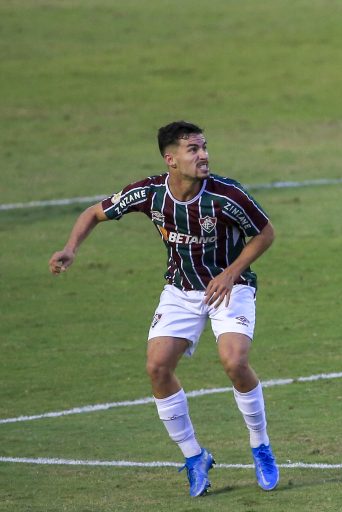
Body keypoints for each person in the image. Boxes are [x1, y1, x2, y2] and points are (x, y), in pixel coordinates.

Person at [48, 121, 280, 496]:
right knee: (157, 367)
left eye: (204, 147)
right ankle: (194, 456)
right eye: (193, 149)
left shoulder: (227, 194)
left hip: (231, 287)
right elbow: (94, 212)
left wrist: (230, 272)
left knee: (235, 361)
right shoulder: (149, 193)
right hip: (181, 291)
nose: (203, 155)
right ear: (171, 159)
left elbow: (265, 233)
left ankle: (260, 445)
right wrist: (71, 248)